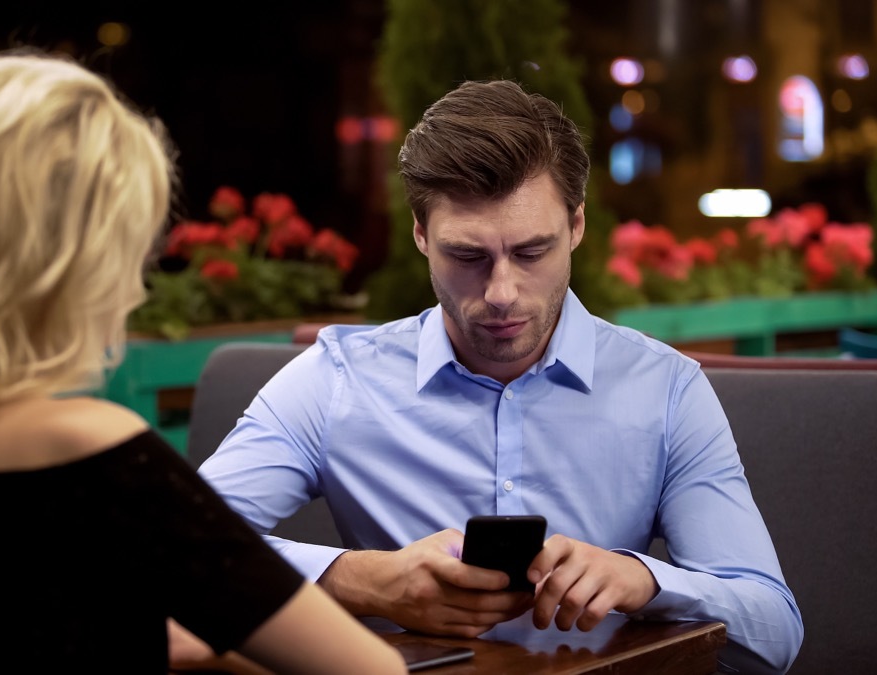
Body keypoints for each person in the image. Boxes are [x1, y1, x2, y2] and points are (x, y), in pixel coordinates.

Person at [0, 50, 404, 673]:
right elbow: (367, 667)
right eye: (128, 255)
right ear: (61, 268)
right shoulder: (88, 452)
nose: (134, 289)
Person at [198, 80, 804, 673]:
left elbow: (773, 632)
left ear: (576, 228)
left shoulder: (667, 390)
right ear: (420, 236)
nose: (502, 293)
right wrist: (361, 581)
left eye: (532, 252)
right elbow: (170, 552)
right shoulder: (335, 381)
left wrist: (644, 580)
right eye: (467, 256)